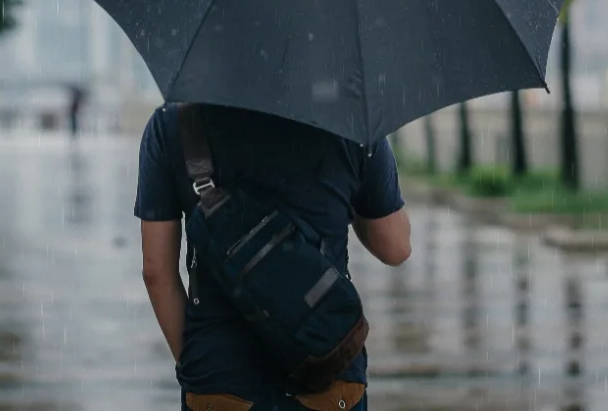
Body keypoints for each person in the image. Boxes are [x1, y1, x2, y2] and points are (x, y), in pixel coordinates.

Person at [136, 103, 411, 411]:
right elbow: (395, 246)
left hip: (220, 376)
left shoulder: (175, 121)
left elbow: (156, 272)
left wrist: (196, 365)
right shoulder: (352, 121)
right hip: (326, 367)